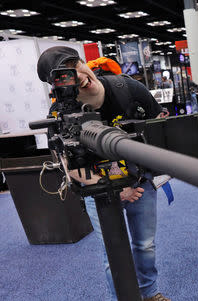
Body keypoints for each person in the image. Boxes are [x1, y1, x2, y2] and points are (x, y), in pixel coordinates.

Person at [36, 46, 170, 301]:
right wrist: (116, 188)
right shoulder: (59, 114)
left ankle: (150, 293)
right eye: (67, 73)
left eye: (77, 64)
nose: (80, 75)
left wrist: (137, 178)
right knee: (113, 253)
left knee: (145, 245)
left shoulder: (128, 89)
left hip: (141, 182)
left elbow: (159, 132)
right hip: (97, 191)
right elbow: (66, 163)